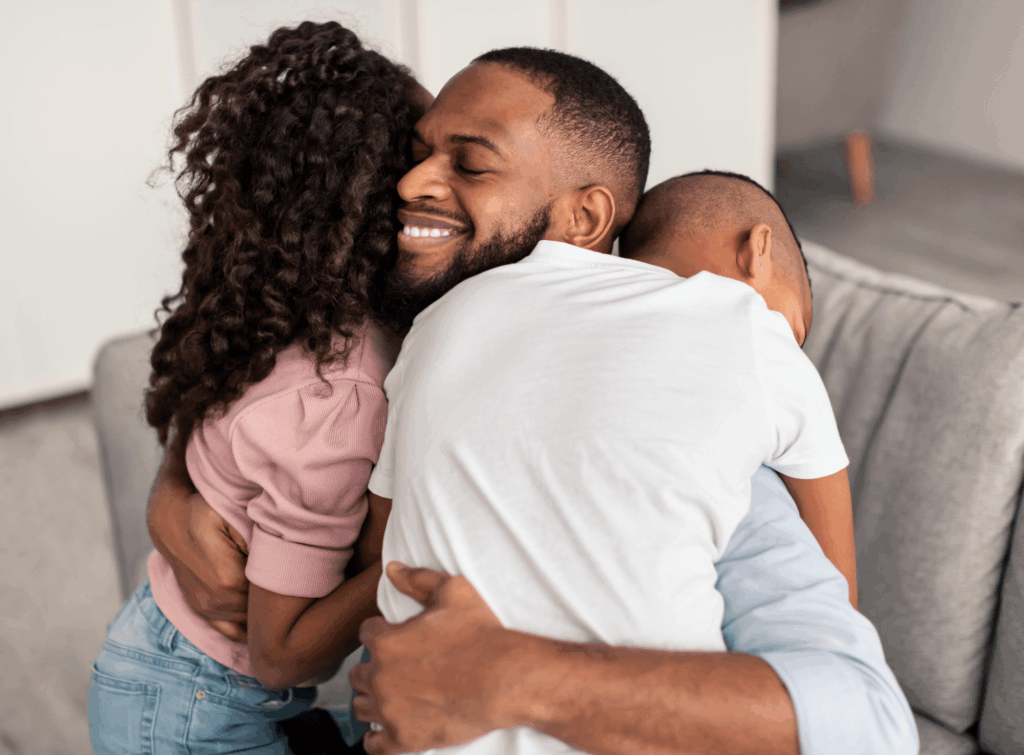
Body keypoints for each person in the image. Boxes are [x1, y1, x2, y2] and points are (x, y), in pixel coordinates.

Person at [149, 48, 919, 755]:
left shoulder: (719, 406)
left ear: (587, 222)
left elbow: (863, 713)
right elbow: (346, 523)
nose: (409, 183)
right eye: (415, 154)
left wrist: (514, 675)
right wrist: (180, 490)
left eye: (469, 165)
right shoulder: (429, 323)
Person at [87, 21, 428, 754]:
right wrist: (415, 557)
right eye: (426, 158)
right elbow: (282, 652)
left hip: (162, 657)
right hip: (194, 709)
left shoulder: (273, 294)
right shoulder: (341, 395)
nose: (437, 182)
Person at [619, 169, 859, 606]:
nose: (792, 345)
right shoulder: (767, 348)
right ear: (757, 249)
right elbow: (836, 592)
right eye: (795, 327)